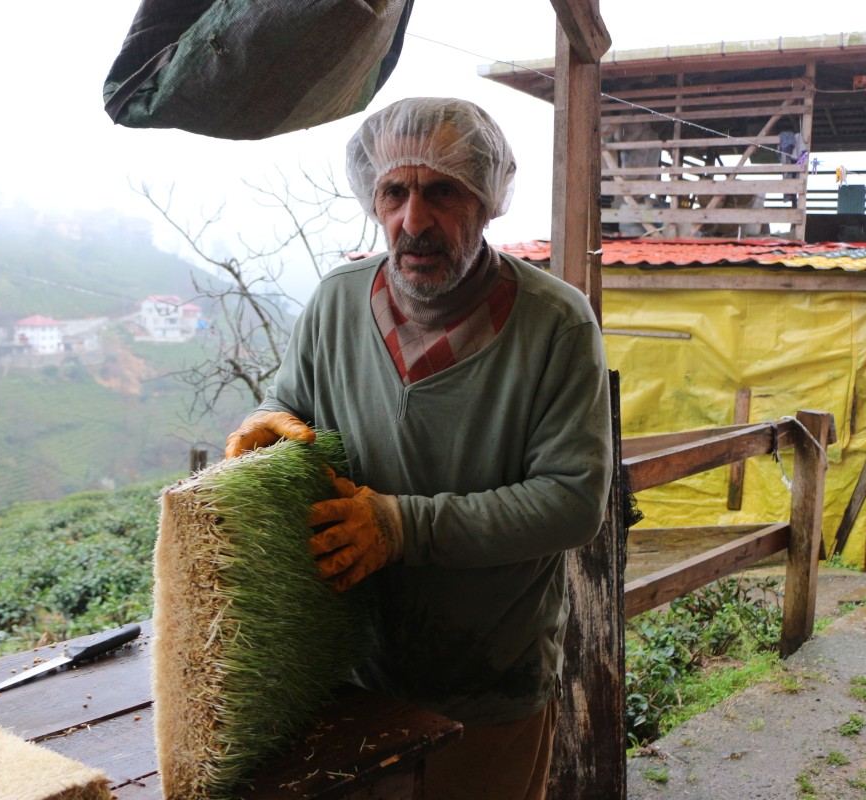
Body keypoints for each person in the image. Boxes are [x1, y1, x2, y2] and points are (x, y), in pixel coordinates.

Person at [224, 97, 612, 800]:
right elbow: (291, 406)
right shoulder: (336, 303)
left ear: (487, 200)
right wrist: (266, 423)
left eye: (441, 192)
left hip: (490, 686)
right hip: (355, 680)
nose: (413, 221)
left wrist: (402, 527)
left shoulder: (555, 324)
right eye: (394, 193)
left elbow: (572, 500)